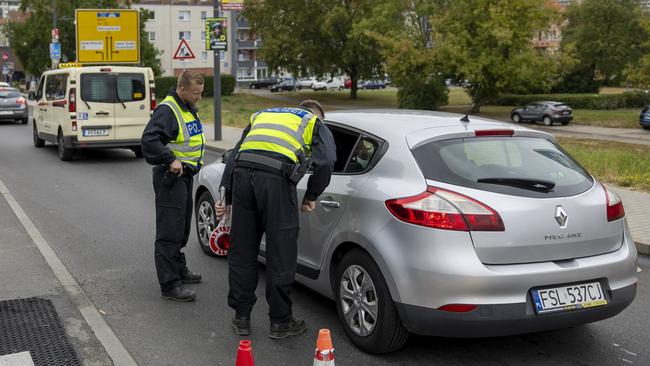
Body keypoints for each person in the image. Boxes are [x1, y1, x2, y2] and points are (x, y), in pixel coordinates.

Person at [215, 100, 336, 339]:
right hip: (276, 180)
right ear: (316, 115)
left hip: (242, 177)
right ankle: (281, 321)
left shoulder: (262, 115)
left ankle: (241, 317)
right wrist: (312, 195)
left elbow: (234, 156)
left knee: (242, 251)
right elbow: (327, 161)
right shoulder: (312, 121)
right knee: (281, 254)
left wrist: (226, 195)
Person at [141, 70, 206, 302]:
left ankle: (179, 270)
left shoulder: (186, 107)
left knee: (181, 228)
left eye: (201, 93)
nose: (199, 97)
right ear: (182, 90)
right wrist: (170, 159)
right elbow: (149, 140)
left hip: (184, 176)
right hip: (171, 176)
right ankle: (170, 285)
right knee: (169, 231)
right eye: (196, 93)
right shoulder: (168, 110)